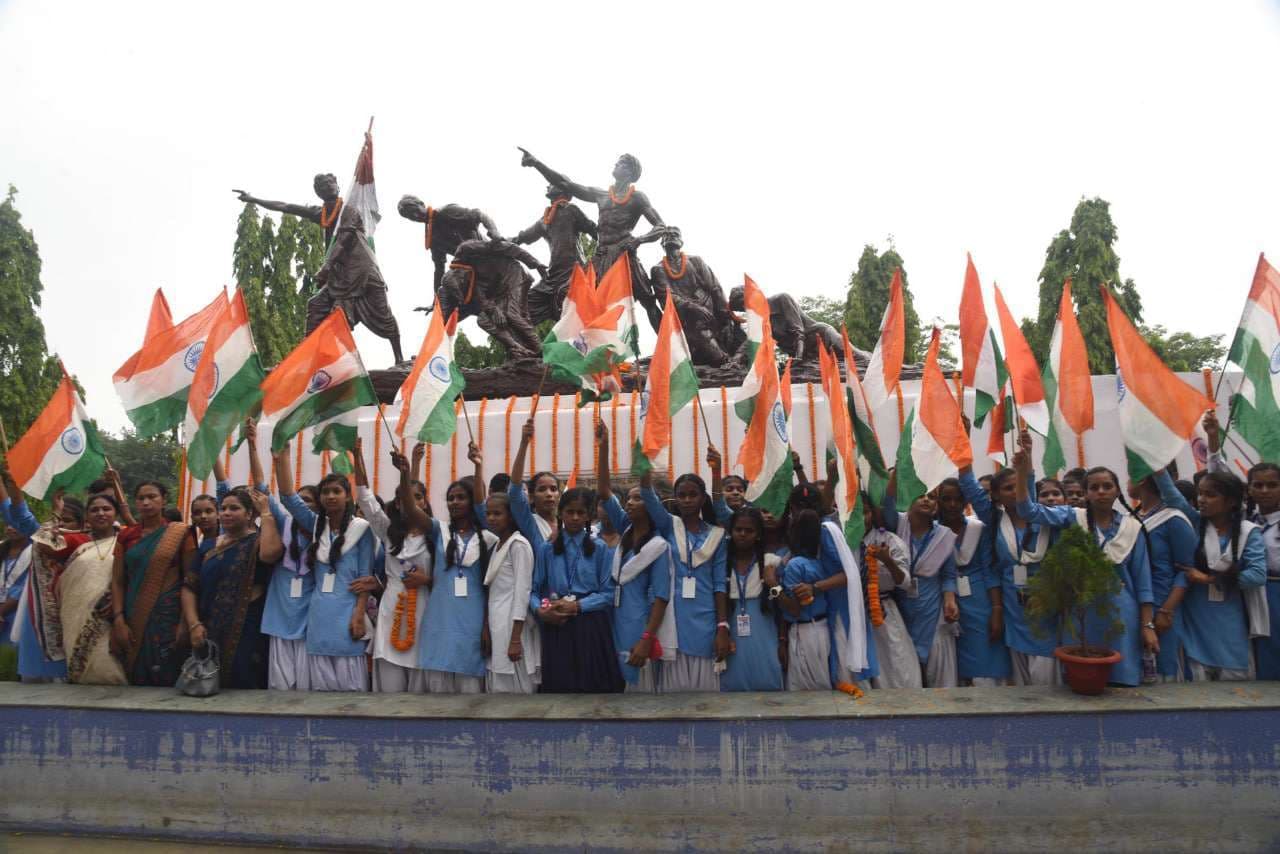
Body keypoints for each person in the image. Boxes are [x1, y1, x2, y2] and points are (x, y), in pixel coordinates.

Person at [1016, 445, 1157, 687]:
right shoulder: (1073, 517)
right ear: (1086, 493)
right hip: (1081, 612)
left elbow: (1143, 583)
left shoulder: (1133, 528)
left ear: (1117, 491)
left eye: (1107, 486)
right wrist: (1023, 471)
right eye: (1094, 487)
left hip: (1121, 611)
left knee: (1120, 683)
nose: (1101, 492)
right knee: (1080, 681)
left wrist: (1147, 626)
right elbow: (1028, 511)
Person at [519, 149, 667, 331]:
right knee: (579, 299)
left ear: (629, 171)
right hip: (601, 255)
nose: (615, 165)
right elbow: (565, 183)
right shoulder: (601, 195)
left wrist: (639, 240)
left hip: (625, 253)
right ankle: (584, 348)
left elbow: (660, 226)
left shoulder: (637, 198)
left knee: (647, 301)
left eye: (620, 163)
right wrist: (536, 163)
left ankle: (668, 353)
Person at [275, 447, 375, 692]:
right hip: (320, 615)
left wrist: (358, 615)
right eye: (326, 492)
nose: (331, 496)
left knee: (352, 691)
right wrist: (282, 456)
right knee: (321, 692)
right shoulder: (316, 524)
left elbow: (365, 578)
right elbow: (288, 497)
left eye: (337, 491)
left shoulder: (362, 529)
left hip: (348, 613)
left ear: (347, 496)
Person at [1155, 468, 1267, 681]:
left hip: (1229, 621)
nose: (1202, 500)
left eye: (1210, 495)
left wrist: (1209, 579)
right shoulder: (1196, 523)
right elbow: (1171, 495)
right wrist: (1158, 467)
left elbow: (1257, 575)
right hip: (1195, 620)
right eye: (1200, 494)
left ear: (1232, 501)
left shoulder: (1247, 532)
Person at [959, 461, 1060, 686]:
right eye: (1007, 488)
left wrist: (1028, 457)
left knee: (1047, 680)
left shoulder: (1045, 518)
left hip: (1045, 608)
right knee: (1022, 685)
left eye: (1019, 486)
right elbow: (968, 485)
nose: (1015, 492)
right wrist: (961, 445)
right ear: (995, 495)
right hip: (1013, 610)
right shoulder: (995, 519)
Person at [352, 439, 435, 693]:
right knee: (390, 684)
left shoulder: (437, 533)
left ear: (424, 502)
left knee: (422, 683)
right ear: (398, 504)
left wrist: (427, 581)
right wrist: (357, 455)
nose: (413, 501)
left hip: (425, 609)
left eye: (419, 497)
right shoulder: (389, 531)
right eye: (406, 498)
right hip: (392, 609)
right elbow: (366, 499)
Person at [1204, 410, 1280, 680]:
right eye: (1258, 485)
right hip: (1248, 593)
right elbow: (1220, 476)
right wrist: (1213, 437)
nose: (1265, 491)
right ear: (1248, 490)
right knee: (1258, 656)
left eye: (1272, 485)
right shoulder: (1247, 519)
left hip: (1274, 590)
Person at [181, 488, 283, 689]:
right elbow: (189, 587)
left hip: (246, 631)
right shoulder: (208, 546)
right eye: (223, 508)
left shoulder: (258, 542)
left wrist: (266, 513)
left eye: (234, 508)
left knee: (245, 687)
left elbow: (271, 554)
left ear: (249, 514)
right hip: (207, 629)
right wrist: (193, 624)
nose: (226, 512)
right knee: (206, 686)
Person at [597, 423, 672, 692]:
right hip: (613, 621)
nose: (629, 503)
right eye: (628, 499)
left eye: (637, 499)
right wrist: (604, 446)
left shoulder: (659, 547)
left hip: (638, 626)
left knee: (637, 692)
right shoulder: (625, 531)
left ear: (651, 505)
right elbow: (604, 492)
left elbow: (661, 598)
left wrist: (647, 638)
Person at [642, 464, 729, 692]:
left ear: (703, 499)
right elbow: (647, 495)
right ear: (675, 499)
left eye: (693, 495)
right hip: (673, 616)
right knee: (673, 698)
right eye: (682, 495)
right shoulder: (670, 525)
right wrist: (645, 462)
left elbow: (719, 584)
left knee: (705, 699)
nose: (687, 500)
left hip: (706, 617)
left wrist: (722, 625)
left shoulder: (717, 536)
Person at [531, 487, 623, 693]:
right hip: (556, 622)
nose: (574, 517)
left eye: (580, 513)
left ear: (589, 515)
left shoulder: (600, 549)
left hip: (590, 624)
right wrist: (540, 610)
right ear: (560, 513)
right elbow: (534, 590)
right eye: (569, 512)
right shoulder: (546, 549)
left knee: (593, 687)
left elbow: (609, 593)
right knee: (560, 687)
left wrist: (578, 606)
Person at [111, 481, 195, 687]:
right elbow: (118, 581)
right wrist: (119, 619)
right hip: (133, 614)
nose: (146, 502)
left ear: (164, 500)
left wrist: (186, 623)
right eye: (141, 498)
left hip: (169, 616)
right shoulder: (126, 536)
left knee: (168, 671)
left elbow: (191, 581)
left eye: (152, 497)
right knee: (136, 673)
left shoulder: (180, 533)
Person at [42, 494, 128, 685]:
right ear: (87, 516)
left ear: (115, 514)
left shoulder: (127, 541)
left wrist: (118, 604)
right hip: (75, 617)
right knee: (81, 678)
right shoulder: (78, 541)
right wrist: (56, 511)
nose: (101, 513)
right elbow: (43, 542)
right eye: (94, 510)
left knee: (111, 670)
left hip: (112, 616)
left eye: (106, 509)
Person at [420, 478, 495, 693]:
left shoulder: (489, 539)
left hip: (472, 624)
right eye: (450, 498)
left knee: (470, 694)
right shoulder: (439, 531)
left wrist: (487, 626)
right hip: (440, 621)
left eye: (461, 497)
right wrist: (406, 475)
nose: (454, 502)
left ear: (473, 502)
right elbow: (411, 511)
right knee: (436, 694)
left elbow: (490, 588)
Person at [883, 482, 960, 688]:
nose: (926, 500)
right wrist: (898, 471)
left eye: (931, 497)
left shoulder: (943, 535)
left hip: (932, 611)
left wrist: (950, 600)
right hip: (901, 610)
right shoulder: (897, 526)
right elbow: (887, 503)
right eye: (920, 495)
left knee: (939, 674)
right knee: (906, 674)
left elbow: (949, 574)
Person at [936, 477, 1011, 687]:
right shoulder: (933, 531)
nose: (952, 504)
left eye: (958, 499)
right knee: (951, 663)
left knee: (985, 657)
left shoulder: (979, 529)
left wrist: (996, 609)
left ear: (966, 501)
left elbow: (990, 570)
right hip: (944, 600)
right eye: (946, 499)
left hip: (980, 602)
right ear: (938, 501)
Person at [1130, 471, 1196, 682]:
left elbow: (1187, 570)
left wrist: (1167, 610)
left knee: (1163, 671)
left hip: (1163, 607)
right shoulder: (1133, 517)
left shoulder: (1174, 519)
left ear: (1141, 479)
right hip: (1136, 605)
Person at [512, 183, 598, 325]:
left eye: (552, 183)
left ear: (562, 189)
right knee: (523, 306)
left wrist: (601, 254)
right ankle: (526, 345)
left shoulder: (571, 210)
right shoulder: (544, 220)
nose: (548, 186)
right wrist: (502, 241)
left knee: (573, 314)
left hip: (573, 273)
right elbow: (523, 237)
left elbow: (594, 230)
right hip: (552, 277)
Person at [719, 507, 784, 692]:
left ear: (758, 534)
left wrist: (782, 640)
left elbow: (782, 609)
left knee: (768, 685)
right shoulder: (721, 565)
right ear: (730, 532)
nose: (743, 534)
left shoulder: (771, 562)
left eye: (749, 531)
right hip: (731, 635)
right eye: (738, 529)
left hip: (764, 635)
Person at [483, 492, 540, 694]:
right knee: (498, 685)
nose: (491, 518)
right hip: (497, 622)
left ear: (511, 515)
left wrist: (515, 638)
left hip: (514, 626)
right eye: (488, 513)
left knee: (518, 688)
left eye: (497, 513)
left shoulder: (519, 545)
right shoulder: (496, 545)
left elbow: (522, 592)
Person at [861, 501, 921, 689]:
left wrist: (887, 560)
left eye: (864, 512)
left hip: (882, 609)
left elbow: (904, 582)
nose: (860, 518)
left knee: (896, 670)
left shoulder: (889, 540)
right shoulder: (841, 540)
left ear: (872, 513)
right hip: (853, 611)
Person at [397, 196, 504, 294]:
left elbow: (479, 214)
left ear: (421, 204)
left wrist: (494, 232)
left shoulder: (446, 211)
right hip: (476, 272)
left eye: (415, 210)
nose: (415, 216)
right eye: (410, 216)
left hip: (491, 256)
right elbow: (439, 269)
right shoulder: (433, 238)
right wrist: (437, 299)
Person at [775, 509, 832, 691]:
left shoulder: (795, 565)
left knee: (806, 689)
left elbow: (794, 609)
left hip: (806, 631)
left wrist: (773, 586)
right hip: (825, 628)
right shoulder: (824, 561)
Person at [509, 418, 562, 545]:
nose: (549, 494)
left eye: (553, 489)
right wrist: (524, 443)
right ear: (531, 497)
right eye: (542, 489)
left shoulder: (567, 524)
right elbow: (515, 490)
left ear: (559, 495)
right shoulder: (529, 522)